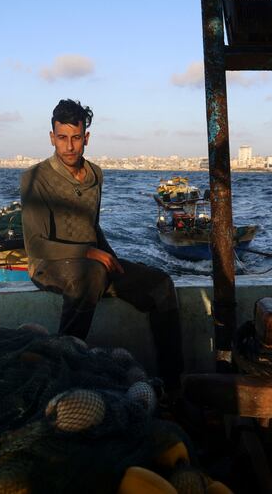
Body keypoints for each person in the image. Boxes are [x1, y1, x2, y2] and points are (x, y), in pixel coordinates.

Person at [20, 99, 183, 388]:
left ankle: (173, 382)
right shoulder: (35, 178)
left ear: (86, 138)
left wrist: (110, 256)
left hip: (91, 264)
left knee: (161, 285)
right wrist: (88, 252)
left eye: (76, 138)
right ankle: (63, 367)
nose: (69, 146)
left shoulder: (96, 174)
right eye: (62, 138)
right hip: (49, 266)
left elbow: (92, 226)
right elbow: (36, 245)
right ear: (51, 138)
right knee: (92, 273)